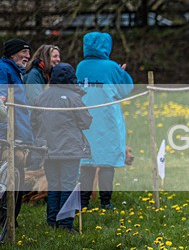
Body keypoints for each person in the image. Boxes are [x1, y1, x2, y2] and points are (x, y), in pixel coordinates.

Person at [76, 32, 134, 210]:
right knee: (107, 162)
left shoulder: (80, 66)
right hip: (107, 121)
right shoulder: (111, 67)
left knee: (86, 163)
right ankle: (105, 202)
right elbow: (126, 89)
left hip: (85, 121)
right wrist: (121, 73)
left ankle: (83, 202)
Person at [32, 63, 91, 232]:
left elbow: (34, 122)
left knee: (54, 185)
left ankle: (52, 221)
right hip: (69, 149)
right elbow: (86, 121)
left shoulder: (41, 97)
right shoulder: (74, 98)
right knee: (68, 185)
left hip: (47, 150)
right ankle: (65, 223)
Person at [0, 38, 34, 223]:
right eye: (23, 52)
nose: (28, 56)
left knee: (17, 178)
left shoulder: (16, 71)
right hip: (8, 134)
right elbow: (2, 105)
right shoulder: (3, 70)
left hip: (19, 132)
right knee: (10, 178)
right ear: (12, 54)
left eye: (28, 52)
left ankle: (11, 219)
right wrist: (7, 133)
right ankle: (7, 218)